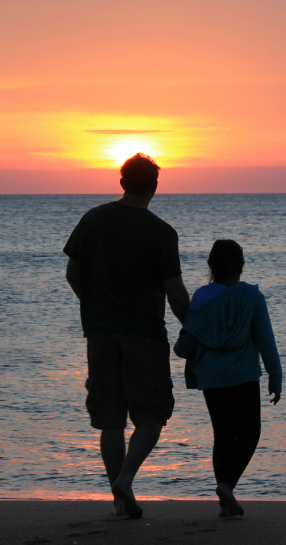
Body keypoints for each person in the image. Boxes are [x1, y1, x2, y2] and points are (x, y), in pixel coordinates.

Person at [63, 153, 190, 519]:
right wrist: (195, 331)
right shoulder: (161, 232)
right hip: (145, 335)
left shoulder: (93, 219)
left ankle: (119, 501)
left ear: (122, 183)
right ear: (154, 186)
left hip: (100, 333)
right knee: (150, 416)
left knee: (111, 419)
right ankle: (127, 480)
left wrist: (97, 305)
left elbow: (73, 273)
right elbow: (176, 293)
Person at [173, 239, 283, 517]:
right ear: (241, 266)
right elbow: (265, 339)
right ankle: (227, 486)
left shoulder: (200, 297)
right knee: (249, 433)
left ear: (211, 266)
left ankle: (225, 503)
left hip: (211, 377)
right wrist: (275, 375)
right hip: (243, 376)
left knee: (223, 435)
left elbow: (188, 342)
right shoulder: (251, 296)